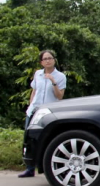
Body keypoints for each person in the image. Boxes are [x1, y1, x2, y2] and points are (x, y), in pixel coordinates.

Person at [18, 50, 67, 178]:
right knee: (29, 139)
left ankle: (50, 168)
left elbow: (60, 96)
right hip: (34, 111)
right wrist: (30, 106)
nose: (47, 61)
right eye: (45, 59)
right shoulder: (38, 74)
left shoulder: (60, 76)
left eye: (50, 58)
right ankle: (29, 168)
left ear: (54, 60)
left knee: (47, 139)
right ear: (41, 62)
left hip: (48, 113)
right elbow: (34, 91)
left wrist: (53, 81)